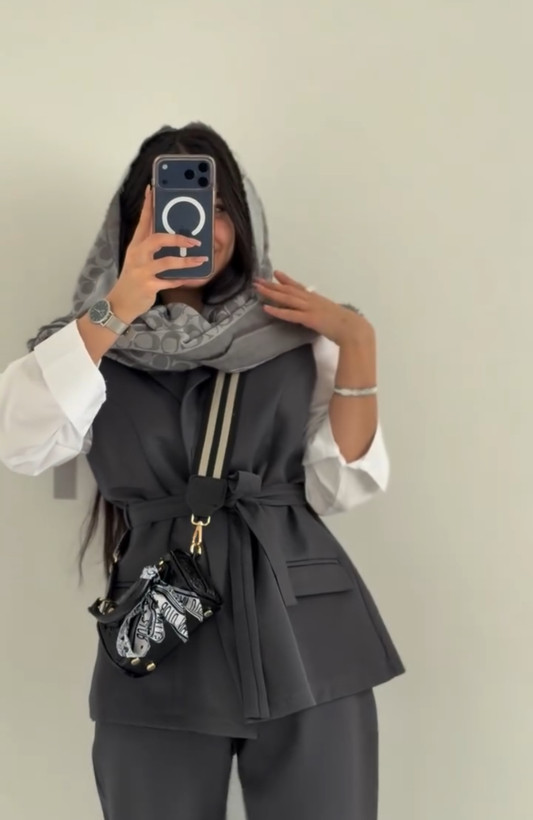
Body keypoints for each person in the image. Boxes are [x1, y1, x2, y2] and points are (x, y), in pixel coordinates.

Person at [0, 123, 404, 820]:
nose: (197, 225)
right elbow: (22, 443)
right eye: (170, 203)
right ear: (129, 224)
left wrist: (356, 342)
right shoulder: (87, 342)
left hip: (307, 626)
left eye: (217, 206)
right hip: (163, 628)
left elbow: (340, 485)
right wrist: (116, 308)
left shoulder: (293, 331)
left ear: (241, 222)